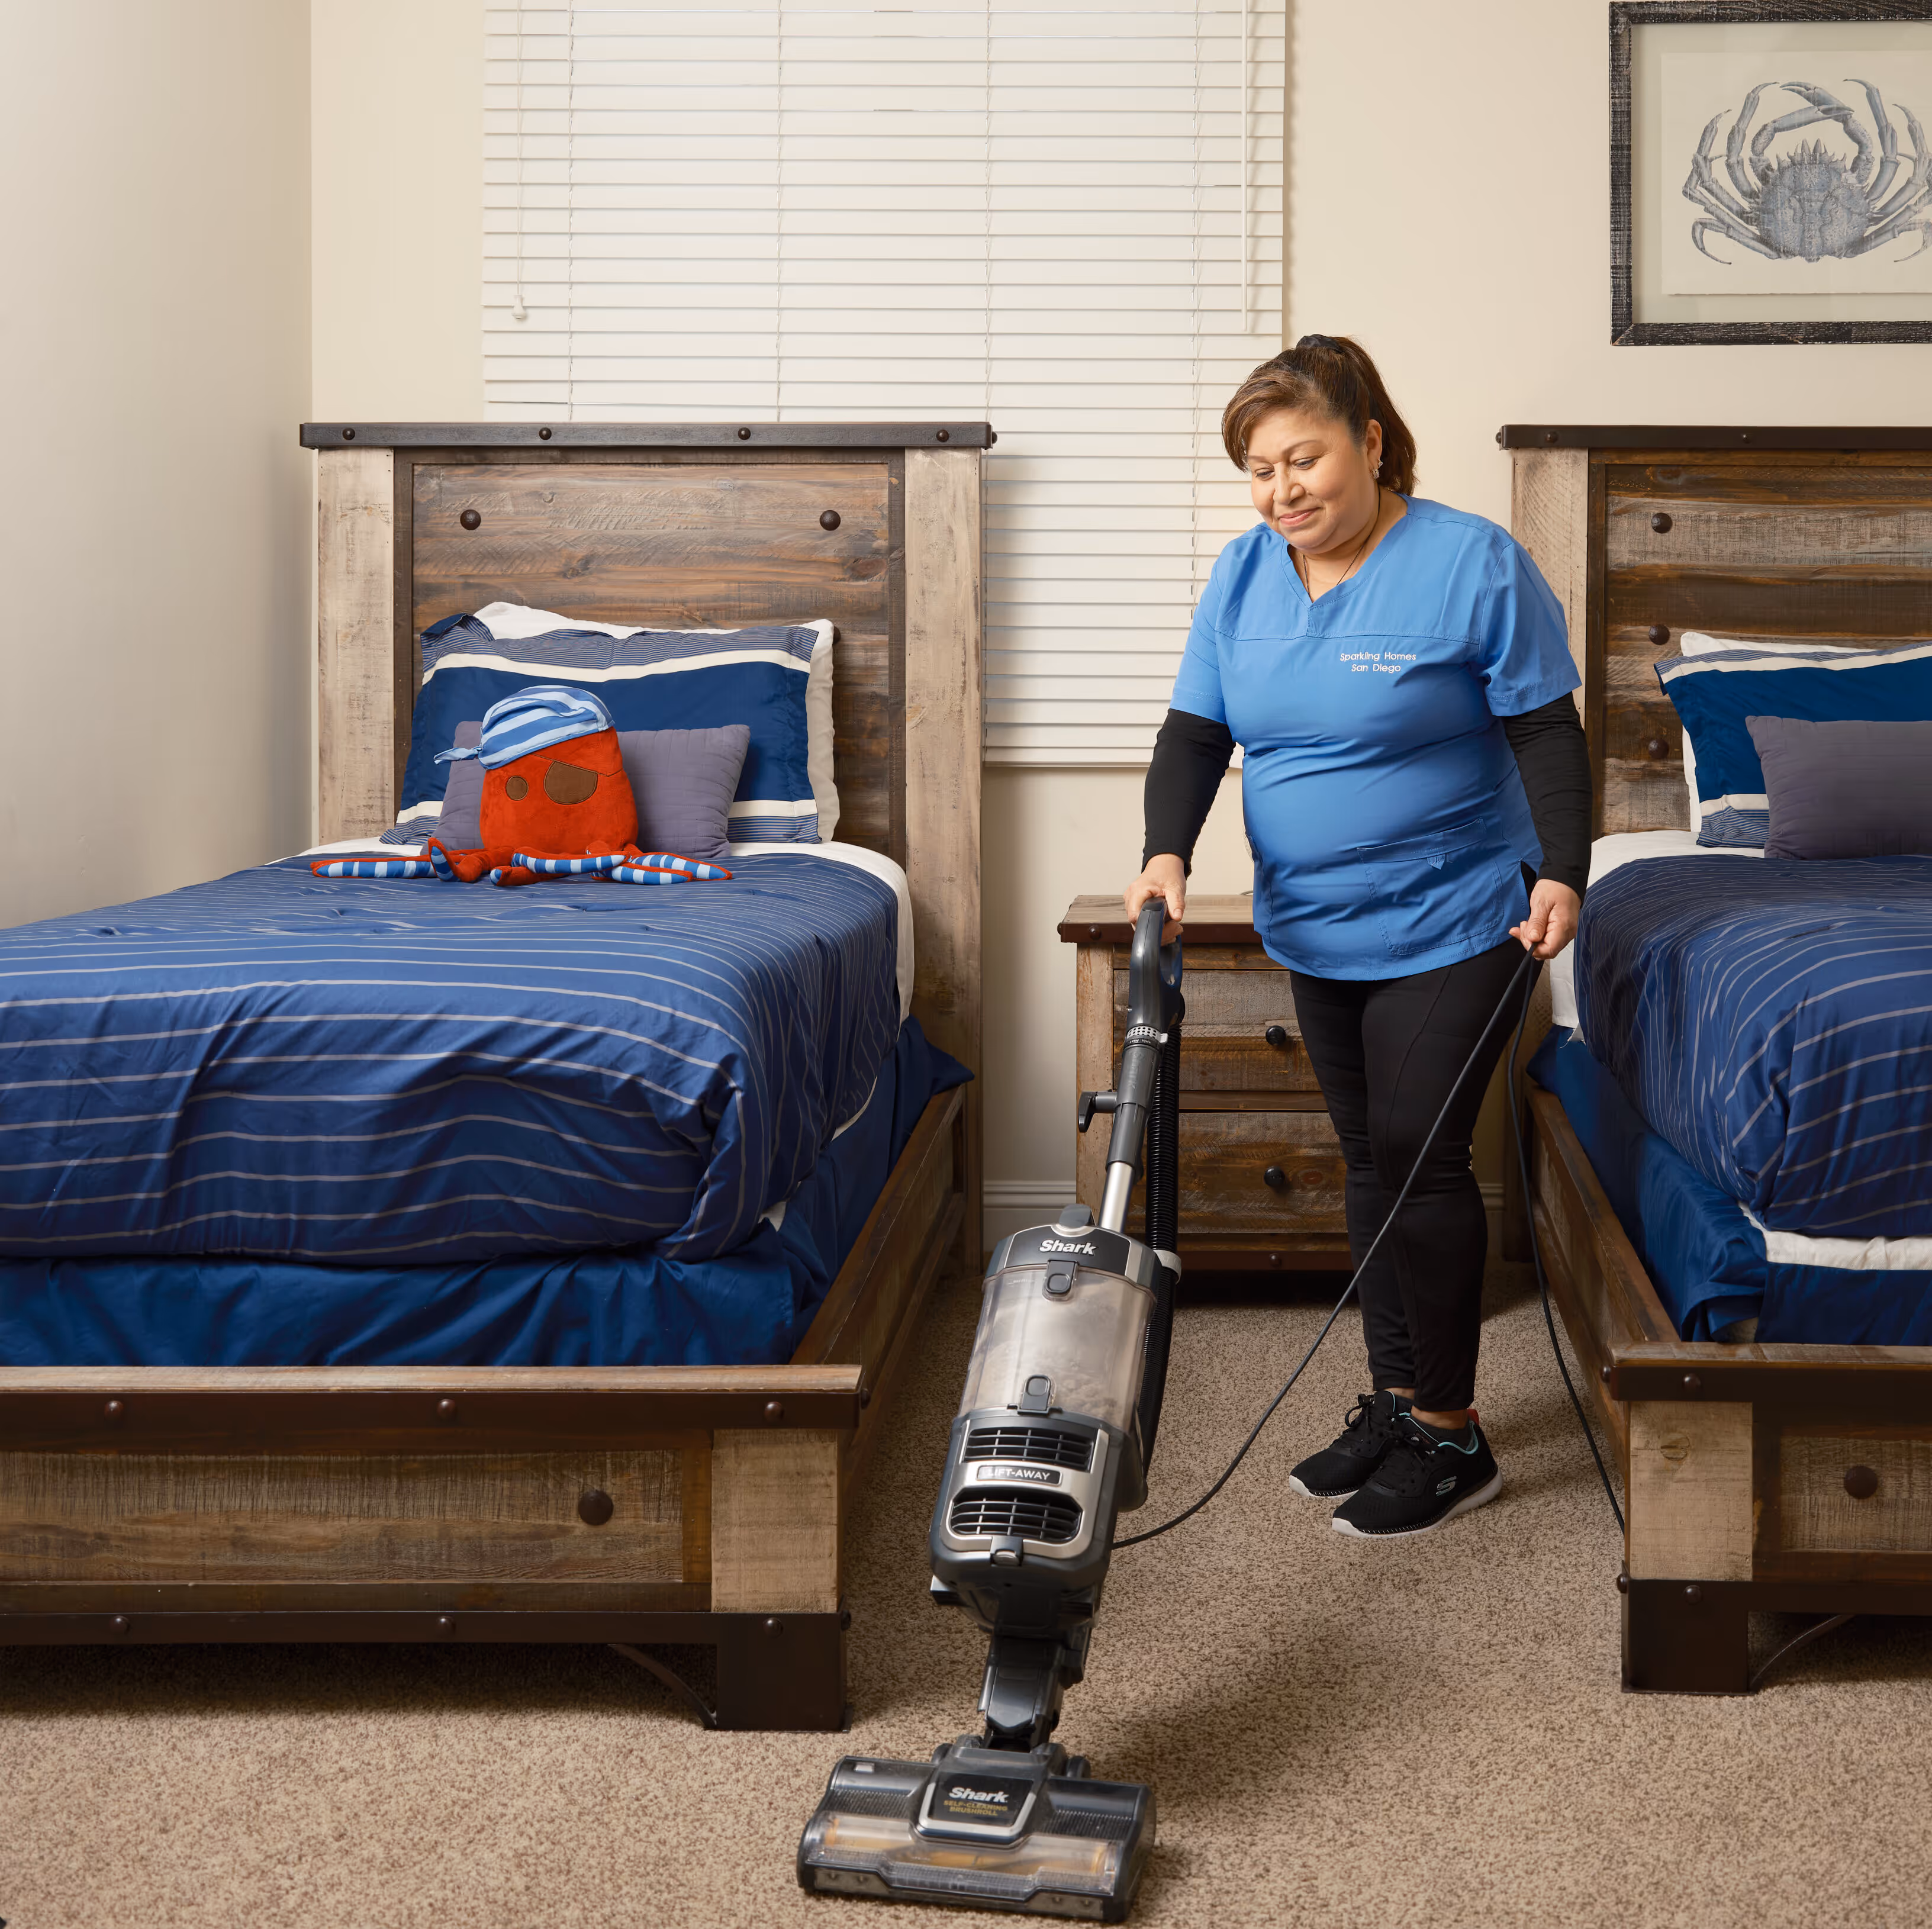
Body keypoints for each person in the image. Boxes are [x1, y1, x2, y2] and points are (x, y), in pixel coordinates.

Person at [1122, 335, 1590, 1541]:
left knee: (1415, 1150)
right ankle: (1395, 1401)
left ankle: (1451, 1433)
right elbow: (1194, 735)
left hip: (1460, 908)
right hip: (1314, 919)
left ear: (1372, 441)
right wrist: (1166, 851)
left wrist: (1567, 873)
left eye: (1306, 456)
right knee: (1369, 1159)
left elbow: (1546, 728)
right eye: (1261, 468)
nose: (1284, 489)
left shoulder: (1471, 564)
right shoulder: (1243, 576)